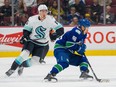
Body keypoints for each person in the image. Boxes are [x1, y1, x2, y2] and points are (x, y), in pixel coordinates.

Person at [5, 4, 64, 77]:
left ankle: (21, 65)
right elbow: (26, 30)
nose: (44, 13)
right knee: (23, 55)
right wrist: (25, 36)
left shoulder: (51, 20)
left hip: (42, 45)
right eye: (42, 11)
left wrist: (56, 35)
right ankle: (12, 69)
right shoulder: (32, 19)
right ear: (38, 12)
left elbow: (61, 29)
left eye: (45, 11)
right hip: (31, 42)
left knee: (35, 61)